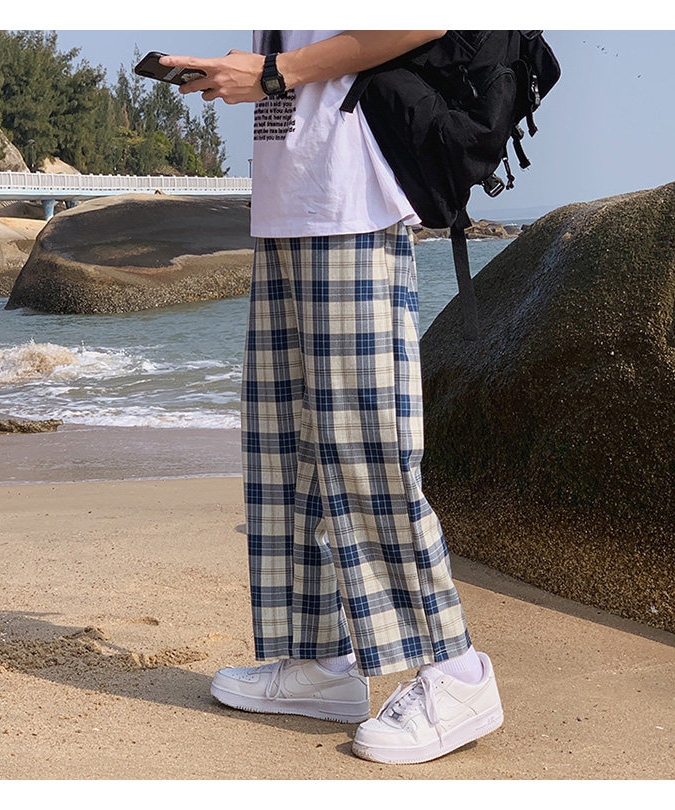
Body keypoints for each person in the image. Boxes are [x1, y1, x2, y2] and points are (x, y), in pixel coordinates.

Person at [160, 30, 503, 765]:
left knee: (366, 451)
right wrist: (243, 70)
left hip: (355, 200)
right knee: (287, 450)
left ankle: (456, 672)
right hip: (290, 198)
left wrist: (274, 73)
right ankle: (319, 662)